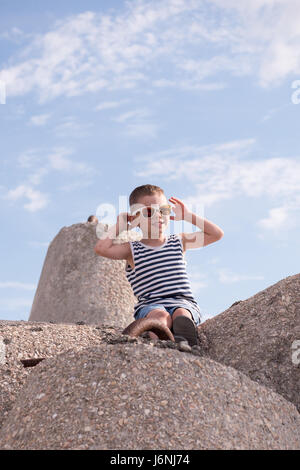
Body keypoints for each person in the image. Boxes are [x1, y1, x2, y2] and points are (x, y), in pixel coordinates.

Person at [94, 184, 224, 346]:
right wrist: (120, 224)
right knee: (160, 317)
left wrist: (188, 216)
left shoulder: (179, 241)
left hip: (183, 301)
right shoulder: (132, 249)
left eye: (164, 210)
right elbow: (101, 248)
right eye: (149, 212)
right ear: (135, 219)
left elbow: (216, 234)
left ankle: (185, 339)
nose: (158, 216)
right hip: (150, 305)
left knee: (181, 315)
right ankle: (162, 344)